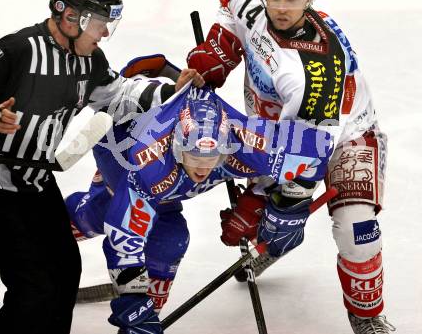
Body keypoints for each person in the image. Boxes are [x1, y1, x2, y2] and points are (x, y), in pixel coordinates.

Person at [0, 0, 202, 334]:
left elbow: (118, 96)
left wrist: (171, 89)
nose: (104, 33)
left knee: (65, 270)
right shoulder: (17, 49)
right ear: (69, 16)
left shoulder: (89, 60)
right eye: (99, 22)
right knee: (34, 283)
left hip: (35, 181)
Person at [186, 0, 395, 334]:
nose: (282, 7)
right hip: (278, 131)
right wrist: (215, 56)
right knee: (269, 222)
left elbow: (304, 161)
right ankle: (275, 243)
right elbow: (231, 4)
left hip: (348, 136)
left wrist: (261, 202)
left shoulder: (312, 74)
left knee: (356, 230)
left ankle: (367, 317)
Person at [65, 79, 334, 334]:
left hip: (167, 174)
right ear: (179, 147)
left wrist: (287, 207)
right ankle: (38, 242)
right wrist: (132, 303)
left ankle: (149, 309)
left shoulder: (248, 142)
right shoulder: (150, 162)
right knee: (103, 215)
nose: (204, 167)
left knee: (170, 238)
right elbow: (124, 237)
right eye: (195, 156)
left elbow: (318, 148)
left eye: (214, 156)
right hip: (119, 149)